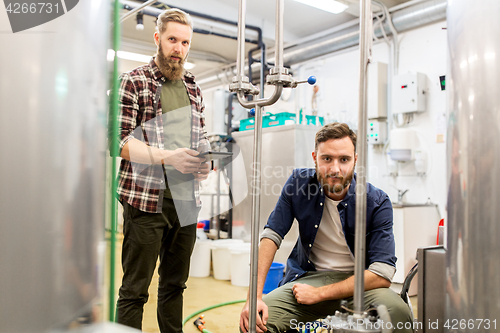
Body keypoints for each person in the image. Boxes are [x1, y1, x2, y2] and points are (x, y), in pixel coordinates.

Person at [239, 122, 412, 333]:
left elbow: (382, 273)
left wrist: (320, 293)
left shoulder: (376, 201)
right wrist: (254, 297)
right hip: (306, 279)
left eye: (344, 159)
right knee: (254, 323)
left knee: (398, 315)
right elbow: (271, 236)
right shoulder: (297, 183)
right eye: (326, 159)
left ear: (355, 160)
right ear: (315, 158)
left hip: (359, 284)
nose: (335, 169)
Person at [115, 8, 210, 333]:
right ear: (158, 38)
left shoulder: (194, 88)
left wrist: (205, 161)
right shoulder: (134, 81)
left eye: (185, 42)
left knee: (175, 285)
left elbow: (202, 137)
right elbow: (121, 142)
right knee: (134, 291)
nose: (179, 48)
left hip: (185, 202)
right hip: (145, 202)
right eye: (172, 39)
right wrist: (168, 157)